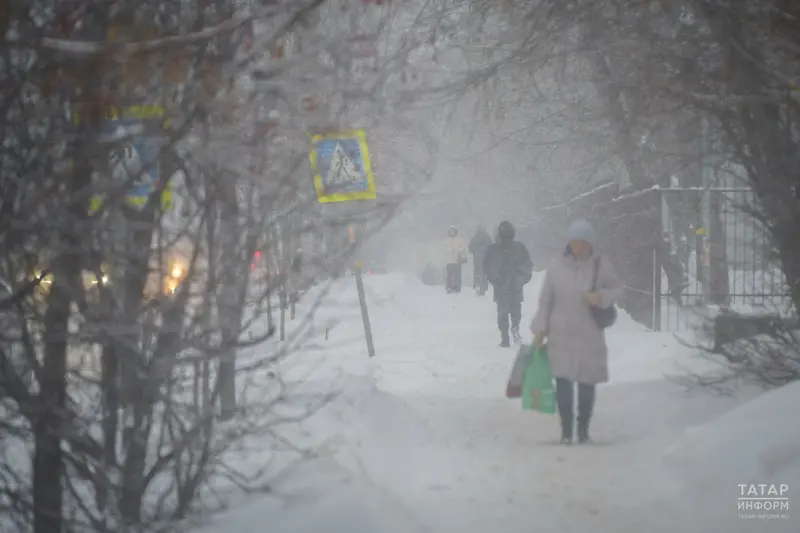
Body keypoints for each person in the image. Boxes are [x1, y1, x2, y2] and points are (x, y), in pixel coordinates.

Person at [529, 219, 622, 445]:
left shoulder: (601, 266)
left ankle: (583, 431)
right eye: (574, 242)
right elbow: (546, 301)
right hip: (560, 333)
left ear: (590, 244)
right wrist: (540, 329)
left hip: (590, 334)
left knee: (587, 384)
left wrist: (600, 297)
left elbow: (616, 288)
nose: (578, 247)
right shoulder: (555, 266)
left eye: (582, 243)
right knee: (563, 384)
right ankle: (566, 431)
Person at [483, 221, 533, 347]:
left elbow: (527, 265)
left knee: (509, 311)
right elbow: (487, 266)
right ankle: (507, 334)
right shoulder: (495, 249)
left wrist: (521, 277)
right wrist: (494, 278)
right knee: (507, 311)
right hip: (504, 285)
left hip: (512, 284)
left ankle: (509, 332)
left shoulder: (516, 247)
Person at [469, 224, 493, 296]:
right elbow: (470, 247)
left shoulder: (487, 237)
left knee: (484, 274)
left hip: (485, 259)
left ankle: (483, 288)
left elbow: (491, 247)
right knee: (478, 273)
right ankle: (477, 286)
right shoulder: (475, 237)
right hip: (477, 258)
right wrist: (475, 252)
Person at [442, 226, 467, 293]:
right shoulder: (446, 240)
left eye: (453, 231)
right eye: (450, 231)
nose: (452, 232)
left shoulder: (460, 240)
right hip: (449, 260)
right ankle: (449, 287)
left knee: (457, 275)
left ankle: (457, 287)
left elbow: (463, 248)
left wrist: (458, 250)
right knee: (449, 275)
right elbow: (443, 249)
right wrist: (450, 250)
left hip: (457, 260)